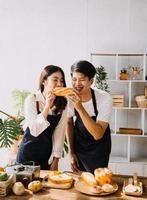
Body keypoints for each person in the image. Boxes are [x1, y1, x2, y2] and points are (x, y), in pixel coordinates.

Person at [16, 65, 67, 170]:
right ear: (44, 81)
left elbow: (59, 134)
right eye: (55, 80)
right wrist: (47, 106)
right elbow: (34, 130)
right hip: (26, 154)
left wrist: (56, 160)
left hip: (45, 156)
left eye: (61, 81)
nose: (59, 84)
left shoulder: (62, 104)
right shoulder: (32, 99)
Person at [66, 60, 112, 173]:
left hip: (98, 149)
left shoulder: (104, 98)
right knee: (79, 181)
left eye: (82, 80)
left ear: (91, 81)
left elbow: (98, 134)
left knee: (97, 180)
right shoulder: (69, 98)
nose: (77, 84)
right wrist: (71, 152)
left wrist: (79, 107)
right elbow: (69, 123)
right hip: (79, 146)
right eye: (74, 79)